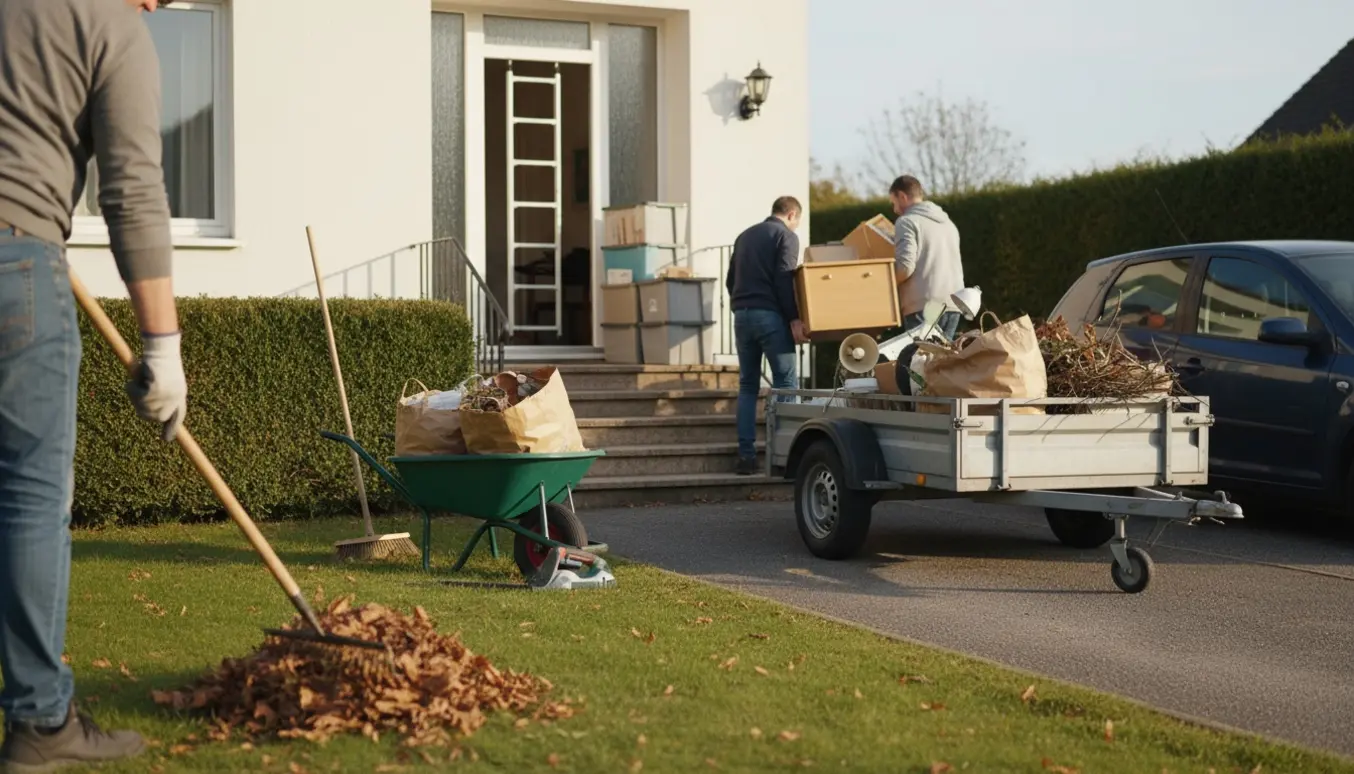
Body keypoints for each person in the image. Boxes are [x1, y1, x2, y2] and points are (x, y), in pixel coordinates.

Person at [0, 0, 188, 768]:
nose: (154, 7)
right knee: (30, 497)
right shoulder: (112, 28)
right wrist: (163, 346)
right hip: (17, 267)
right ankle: (42, 724)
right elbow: (133, 192)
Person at [725, 196, 809, 476]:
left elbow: (730, 280)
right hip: (771, 316)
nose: (796, 226)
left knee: (748, 386)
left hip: (742, 315)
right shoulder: (785, 236)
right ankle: (784, 457)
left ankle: (746, 458)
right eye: (797, 221)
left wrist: (741, 305)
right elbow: (784, 278)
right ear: (792, 214)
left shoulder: (744, 236)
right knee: (785, 384)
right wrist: (794, 318)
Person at [889, 175, 966, 340]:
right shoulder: (948, 223)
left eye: (893, 202)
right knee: (941, 363)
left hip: (924, 305)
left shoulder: (906, 222)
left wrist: (887, 283)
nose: (894, 209)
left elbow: (905, 267)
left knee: (918, 362)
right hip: (954, 303)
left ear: (902, 196)